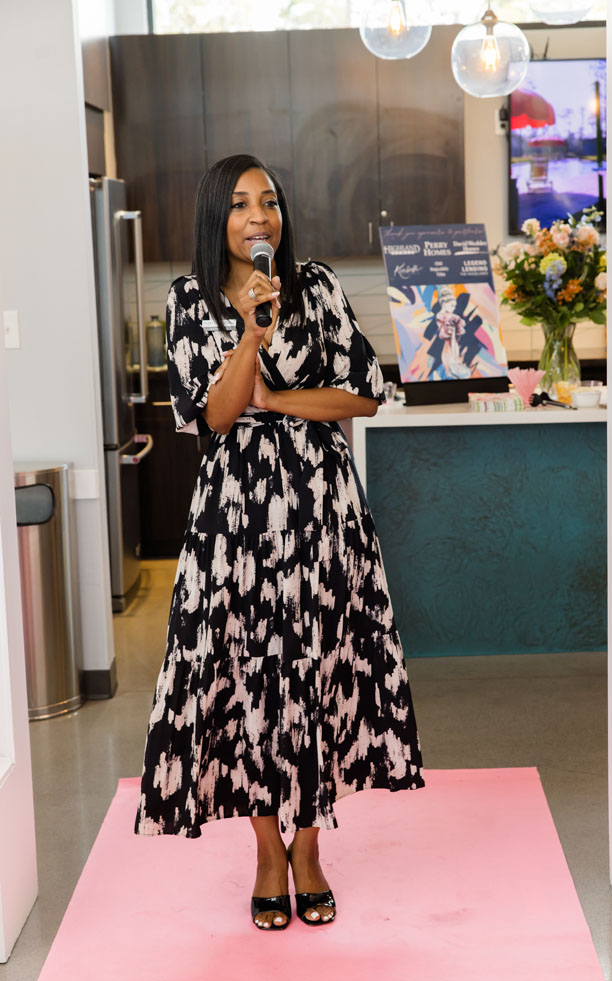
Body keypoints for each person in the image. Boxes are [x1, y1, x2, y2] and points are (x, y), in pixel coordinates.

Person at [134, 153, 425, 931]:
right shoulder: (189, 300)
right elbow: (213, 416)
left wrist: (279, 398)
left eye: (268, 201)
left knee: (317, 671)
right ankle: (267, 852)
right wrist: (249, 340)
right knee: (247, 680)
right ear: (215, 216)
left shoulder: (317, 286)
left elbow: (362, 395)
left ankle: (308, 848)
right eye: (239, 204)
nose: (258, 216)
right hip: (235, 521)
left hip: (322, 512)